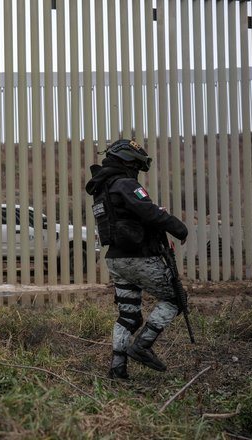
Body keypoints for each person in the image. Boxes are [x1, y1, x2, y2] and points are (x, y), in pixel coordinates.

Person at [85, 139, 188, 379]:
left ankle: (117, 370)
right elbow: (148, 211)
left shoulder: (102, 187)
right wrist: (178, 228)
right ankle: (142, 346)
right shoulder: (125, 183)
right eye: (137, 166)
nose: (137, 172)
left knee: (129, 316)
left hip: (116, 260)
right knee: (176, 299)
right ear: (128, 161)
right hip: (138, 257)